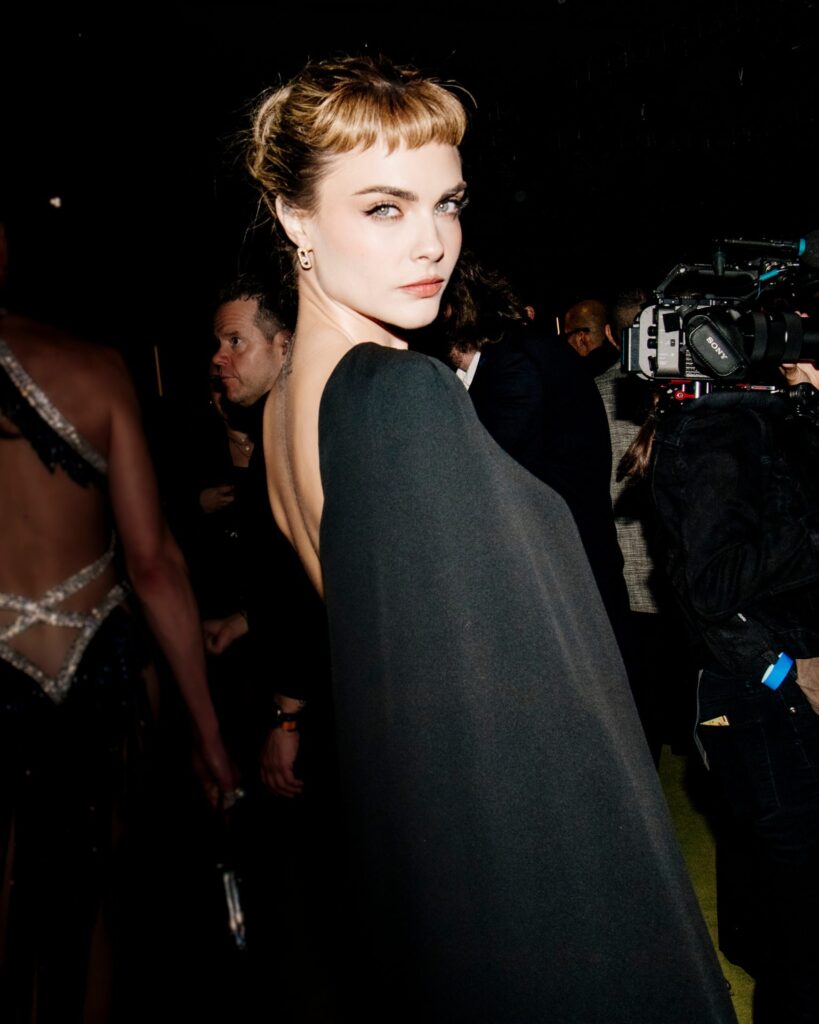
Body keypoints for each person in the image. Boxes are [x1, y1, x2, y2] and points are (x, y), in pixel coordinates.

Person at [245, 55, 736, 1022]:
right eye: (383, 208)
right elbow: (524, 741)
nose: (432, 241)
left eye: (448, 203)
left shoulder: (285, 403)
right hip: (533, 905)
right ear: (294, 217)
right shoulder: (400, 396)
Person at [0, 229, 235, 1019]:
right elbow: (154, 564)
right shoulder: (91, 367)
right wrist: (209, 732)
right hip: (94, 674)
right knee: (95, 899)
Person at [622, 360, 819, 1024]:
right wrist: (779, 669)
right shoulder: (720, 428)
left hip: (765, 683)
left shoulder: (755, 420)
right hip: (761, 690)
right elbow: (711, 585)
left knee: (790, 909)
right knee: (802, 923)